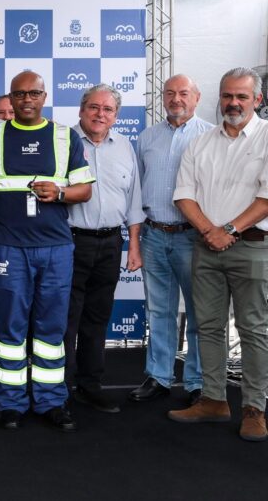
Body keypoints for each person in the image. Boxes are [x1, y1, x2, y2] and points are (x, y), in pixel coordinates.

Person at [0, 70, 94, 432]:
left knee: (51, 329)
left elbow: (84, 191)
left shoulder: (64, 135)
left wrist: (58, 193)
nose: (27, 100)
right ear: (10, 97)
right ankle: (9, 402)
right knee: (9, 328)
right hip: (8, 246)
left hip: (56, 247)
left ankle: (51, 400)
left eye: (34, 94)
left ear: (44, 96)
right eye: (20, 94)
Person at [169, 67, 268, 442]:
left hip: (254, 249)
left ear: (256, 100)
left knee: (254, 330)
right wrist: (211, 233)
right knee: (207, 327)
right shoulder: (202, 142)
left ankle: (254, 408)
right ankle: (213, 400)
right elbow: (184, 195)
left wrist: (227, 230)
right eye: (227, 95)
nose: (233, 103)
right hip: (206, 247)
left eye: (242, 96)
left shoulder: (266, 137)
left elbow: (266, 199)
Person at [129, 74, 212, 406]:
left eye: (183, 93)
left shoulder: (211, 136)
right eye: (170, 93)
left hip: (193, 238)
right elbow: (136, 189)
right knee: (159, 310)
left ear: (197, 97)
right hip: (154, 234)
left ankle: (196, 381)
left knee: (198, 311)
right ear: (162, 98)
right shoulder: (147, 137)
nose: (176, 99)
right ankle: (159, 376)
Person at [65, 84, 144, 414]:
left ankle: (90, 384)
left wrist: (134, 246)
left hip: (111, 243)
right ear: (81, 109)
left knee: (97, 319)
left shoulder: (125, 146)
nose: (100, 114)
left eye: (107, 109)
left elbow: (134, 200)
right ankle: (59, 387)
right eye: (94, 107)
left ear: (116, 116)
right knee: (65, 320)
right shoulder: (61, 141)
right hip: (68, 243)